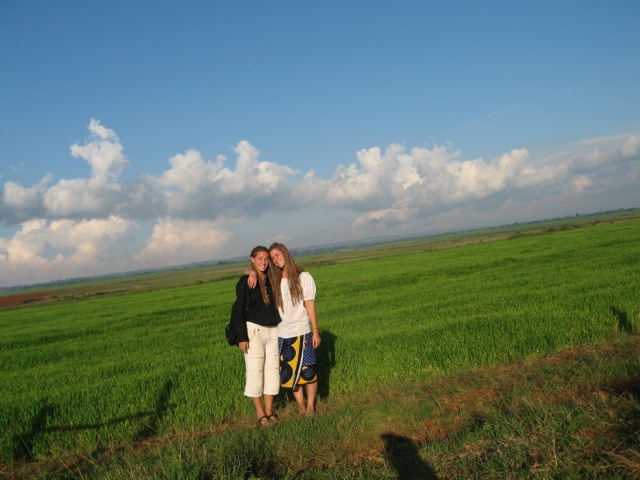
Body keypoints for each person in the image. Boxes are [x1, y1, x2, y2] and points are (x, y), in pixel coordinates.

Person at [267, 242, 321, 415]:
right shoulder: (273, 279)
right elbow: (252, 272)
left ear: (285, 253)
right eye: (272, 257)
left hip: (303, 331)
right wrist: (252, 271)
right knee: (290, 375)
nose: (275, 260)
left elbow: (309, 304)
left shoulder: (302, 276)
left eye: (277, 255)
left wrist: (316, 330)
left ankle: (311, 406)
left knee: (308, 372)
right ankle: (301, 406)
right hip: (283, 333)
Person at [229, 246, 281, 426]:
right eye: (259, 258)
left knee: (272, 371)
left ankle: (269, 411)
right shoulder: (245, 282)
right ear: (252, 259)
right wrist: (242, 337)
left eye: (266, 258)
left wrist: (252, 271)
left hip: (273, 330)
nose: (263, 262)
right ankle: (260, 414)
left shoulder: (272, 278)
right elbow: (238, 311)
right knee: (255, 371)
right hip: (254, 332)